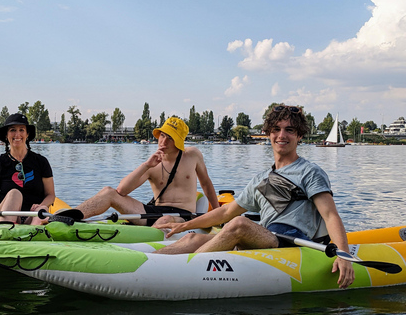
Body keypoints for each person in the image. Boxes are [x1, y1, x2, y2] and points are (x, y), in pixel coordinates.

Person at [153, 105, 355, 289]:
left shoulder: (310, 172)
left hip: (294, 245)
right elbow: (225, 211)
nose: (281, 135)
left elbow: (330, 216)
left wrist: (343, 254)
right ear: (268, 134)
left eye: (289, 130)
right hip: (267, 238)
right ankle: (147, 262)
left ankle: (181, 272)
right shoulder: (261, 179)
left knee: (239, 224)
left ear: (299, 136)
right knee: (192, 238)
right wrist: (185, 225)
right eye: (276, 129)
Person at [75, 117, 220, 226]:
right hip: (152, 211)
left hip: (182, 214)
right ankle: (68, 217)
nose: (163, 142)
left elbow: (206, 183)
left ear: (179, 141)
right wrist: (146, 165)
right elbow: (122, 190)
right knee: (108, 192)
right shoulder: (152, 163)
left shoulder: (193, 155)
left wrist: (218, 214)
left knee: (165, 220)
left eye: (170, 138)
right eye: (162, 135)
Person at [0, 113, 55, 225]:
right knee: (14, 194)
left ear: (27, 134)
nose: (17, 134)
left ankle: (33, 235)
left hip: (30, 216)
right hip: (2, 214)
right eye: (13, 130)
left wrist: (42, 205)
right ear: (7, 135)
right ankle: (6, 231)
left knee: (41, 211)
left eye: (21, 130)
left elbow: (50, 195)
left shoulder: (41, 162)